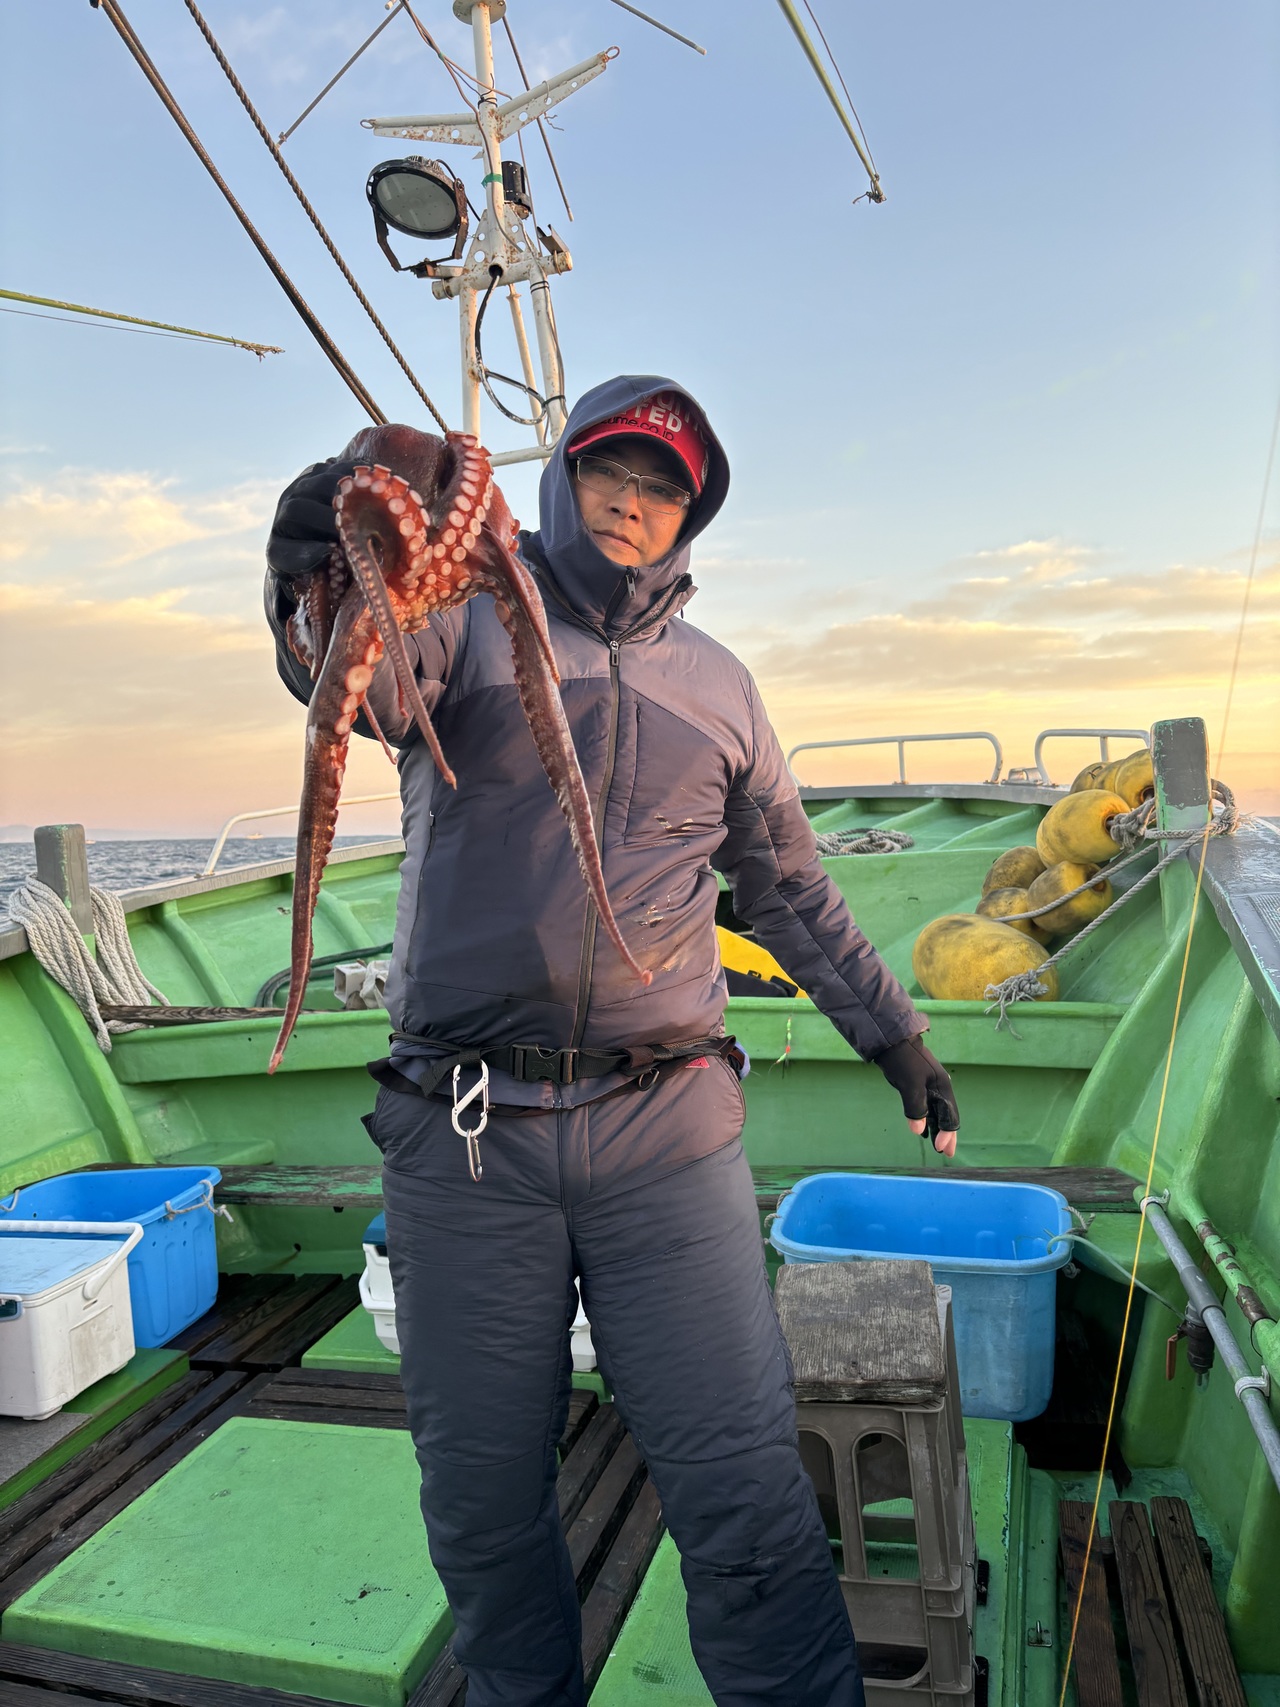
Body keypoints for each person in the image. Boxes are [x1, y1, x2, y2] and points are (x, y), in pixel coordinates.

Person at [265, 374, 960, 1707]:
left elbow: (788, 887)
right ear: (561, 477)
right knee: (482, 1502)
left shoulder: (723, 687)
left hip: (666, 1131)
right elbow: (353, 680)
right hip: (466, 1136)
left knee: (746, 1493)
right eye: (610, 473)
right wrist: (308, 575)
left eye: (663, 490)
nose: (633, 505)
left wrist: (895, 1036)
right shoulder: (462, 618)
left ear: (691, 519)